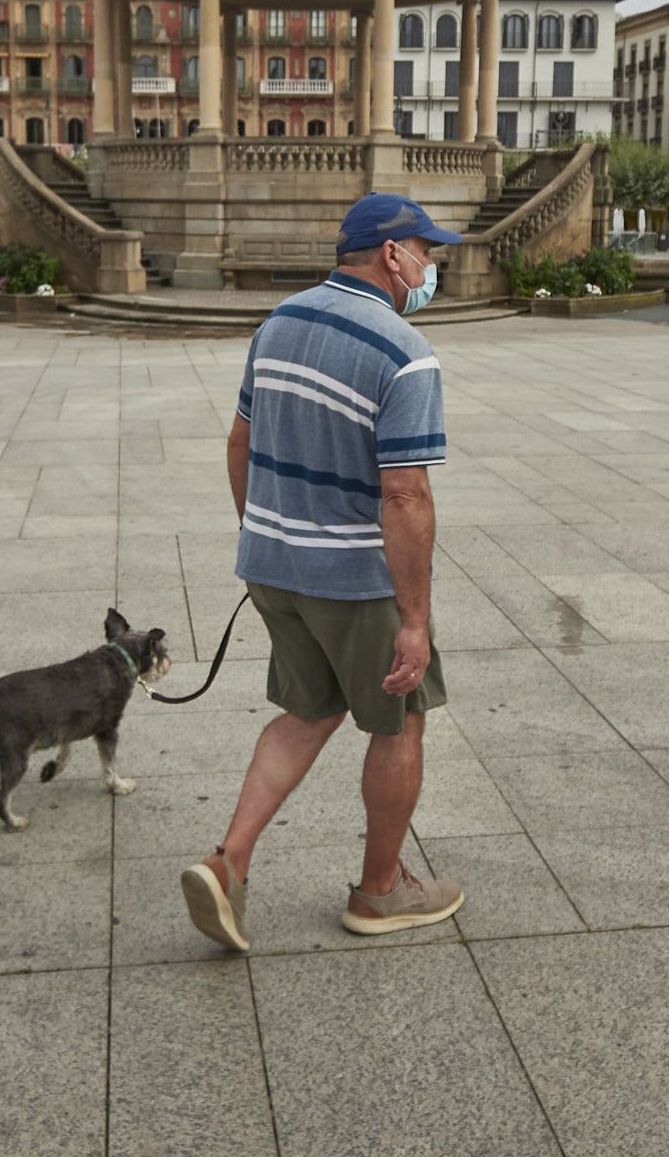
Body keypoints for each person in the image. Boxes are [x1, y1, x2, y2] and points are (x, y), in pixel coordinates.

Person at [181, 192, 465, 953]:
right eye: (426, 252)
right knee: (400, 717)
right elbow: (405, 493)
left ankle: (228, 862)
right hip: (354, 579)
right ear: (392, 255)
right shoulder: (403, 351)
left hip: (272, 564)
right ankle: (380, 891)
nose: (432, 266)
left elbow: (239, 444)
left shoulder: (279, 323)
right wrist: (413, 620)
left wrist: (268, 536)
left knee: (307, 712)